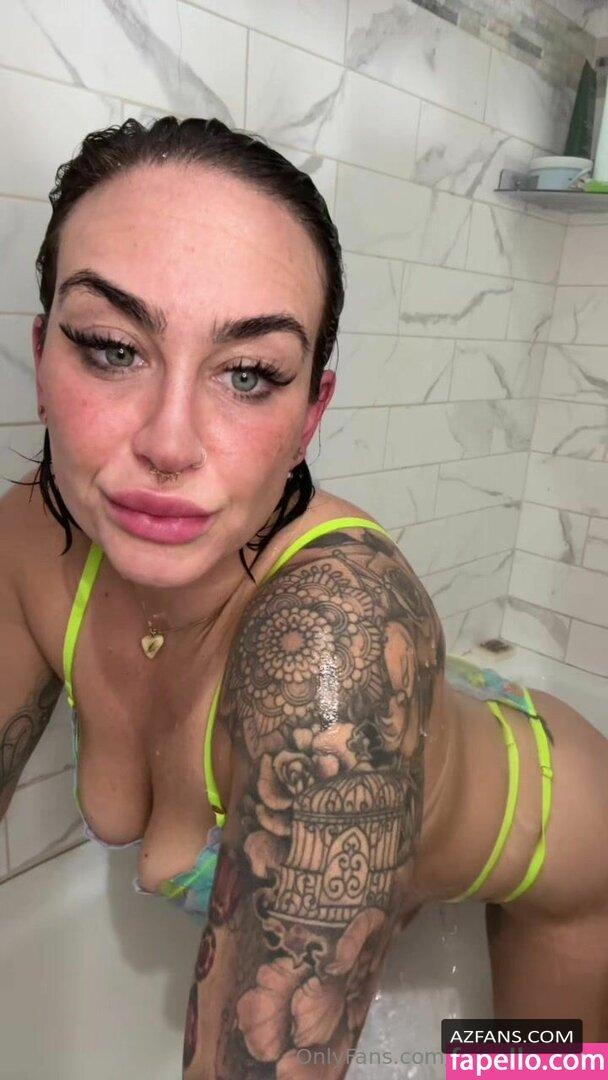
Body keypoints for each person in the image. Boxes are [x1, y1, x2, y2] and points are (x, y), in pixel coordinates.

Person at [0, 117, 606, 1079]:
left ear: (309, 415)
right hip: (430, 757)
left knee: (519, 1075)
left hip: (566, 863)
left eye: (249, 374)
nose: (168, 441)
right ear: (42, 357)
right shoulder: (30, 539)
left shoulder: (336, 643)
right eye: (113, 348)